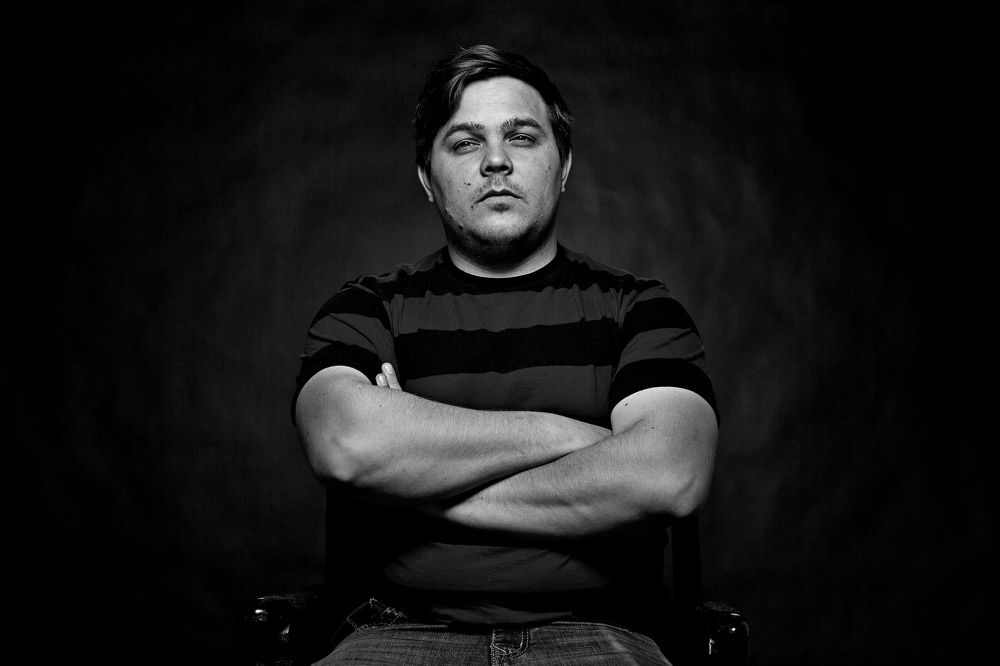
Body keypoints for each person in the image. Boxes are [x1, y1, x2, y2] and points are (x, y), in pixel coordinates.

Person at [293, 44, 719, 665]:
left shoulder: (641, 309)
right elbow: (347, 444)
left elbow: (667, 476)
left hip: (597, 636)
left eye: (521, 136)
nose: (496, 161)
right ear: (427, 177)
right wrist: (568, 436)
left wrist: (414, 485)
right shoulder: (367, 309)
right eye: (466, 142)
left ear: (563, 165)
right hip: (399, 635)